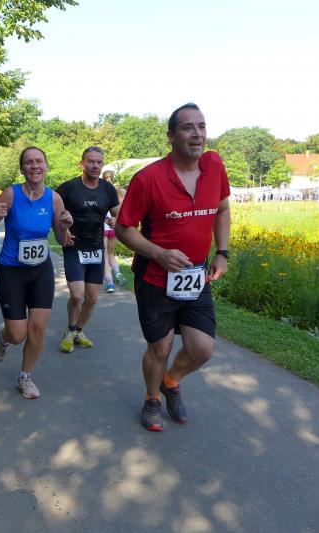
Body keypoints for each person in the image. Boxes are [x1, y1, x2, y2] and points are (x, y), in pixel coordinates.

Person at [115, 103, 231, 432]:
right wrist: (158, 253)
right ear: (171, 136)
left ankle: (170, 381)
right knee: (160, 346)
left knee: (202, 348)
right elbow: (124, 228)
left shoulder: (214, 166)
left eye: (201, 126)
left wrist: (222, 252)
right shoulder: (148, 178)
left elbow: (222, 209)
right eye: (187, 127)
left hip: (195, 276)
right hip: (155, 277)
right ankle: (152, 398)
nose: (197, 134)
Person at [0, 146, 73, 399]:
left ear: (46, 166)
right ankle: (4, 337)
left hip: (41, 271)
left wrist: (65, 227)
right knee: (18, 334)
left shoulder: (54, 199)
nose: (35, 166)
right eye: (29, 162)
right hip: (12, 271)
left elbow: (62, 239)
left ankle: (25, 377)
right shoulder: (11, 194)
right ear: (22, 168)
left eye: (39, 161)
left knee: (38, 328)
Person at [55, 147, 121, 353]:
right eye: (91, 161)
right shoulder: (68, 188)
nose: (95, 166)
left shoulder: (108, 189)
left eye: (99, 162)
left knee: (92, 297)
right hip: (74, 247)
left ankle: (77, 331)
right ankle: (70, 329)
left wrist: (117, 220)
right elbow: (53, 213)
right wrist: (62, 230)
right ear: (81, 164)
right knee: (77, 295)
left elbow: (118, 213)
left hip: (96, 248)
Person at [101, 170, 127, 293]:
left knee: (104, 256)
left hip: (102, 227)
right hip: (113, 227)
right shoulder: (119, 192)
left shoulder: (100, 190)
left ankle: (110, 284)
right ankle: (117, 273)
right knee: (111, 254)